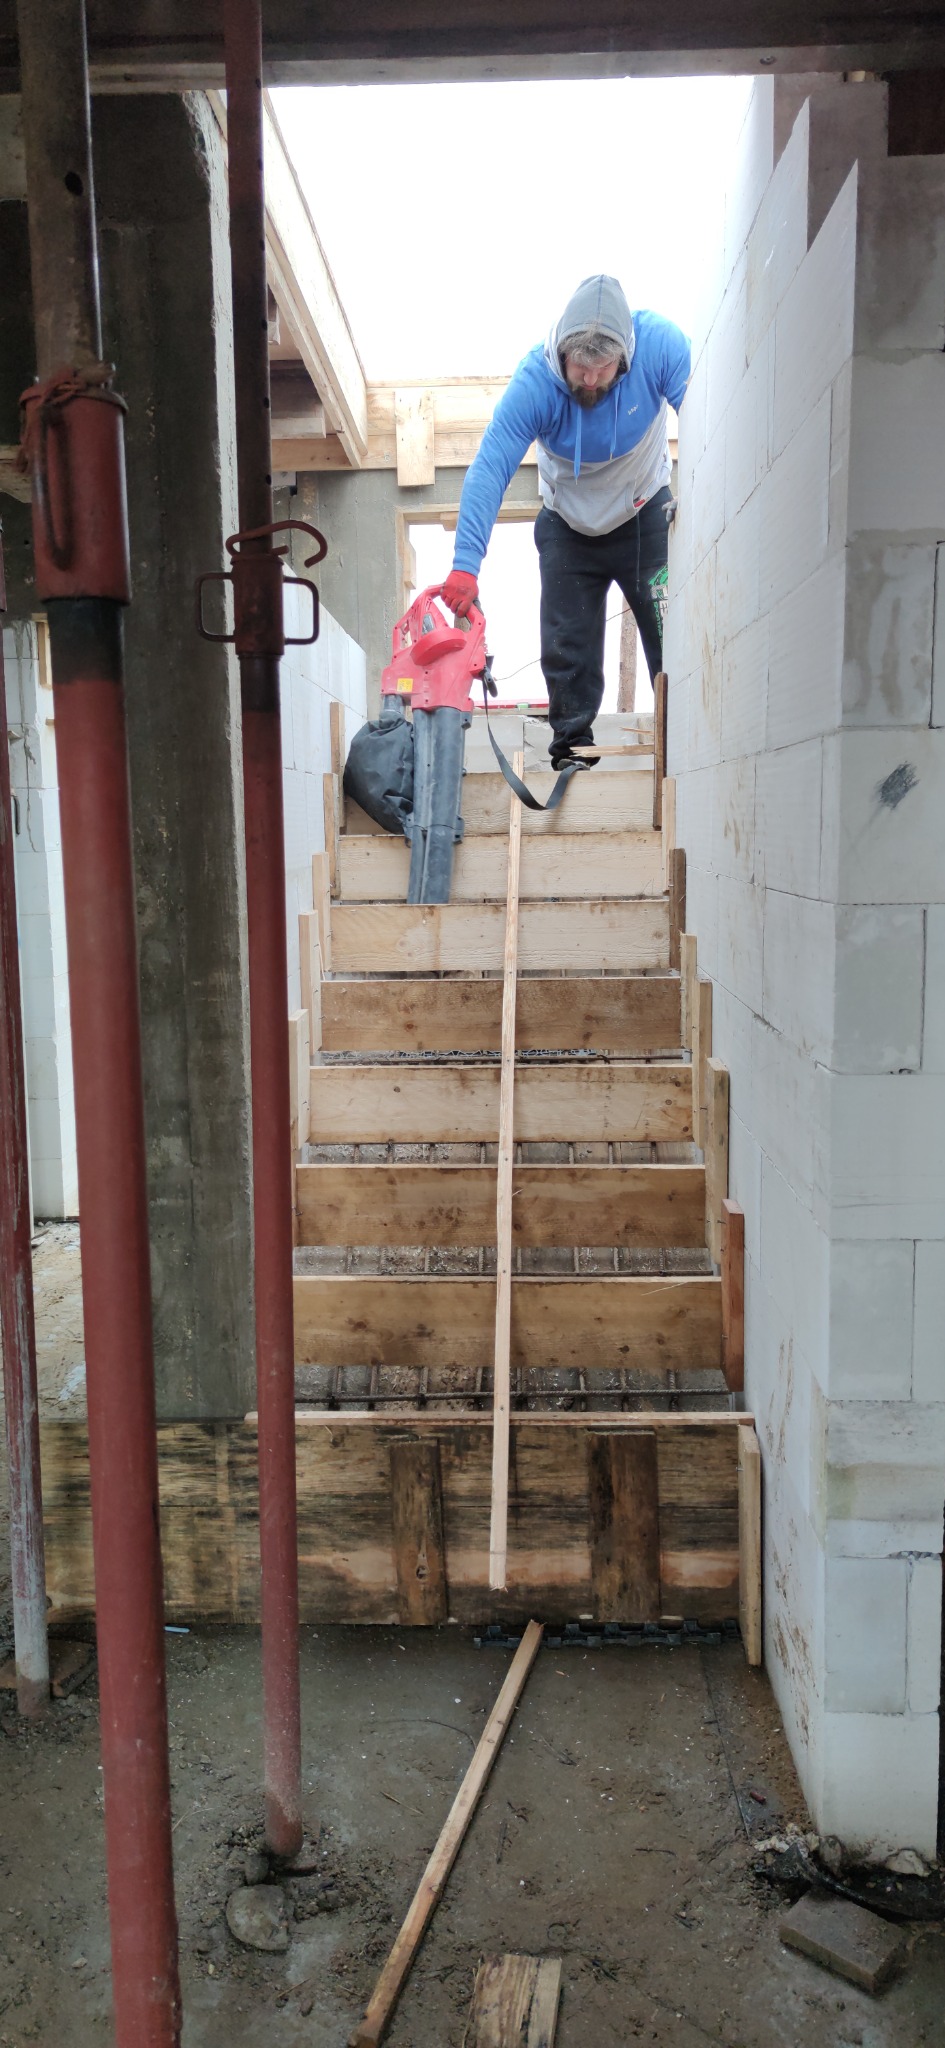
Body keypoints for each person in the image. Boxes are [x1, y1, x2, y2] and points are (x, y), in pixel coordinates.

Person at [441, 275, 690, 768]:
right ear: (562, 354)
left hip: (644, 514)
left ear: (626, 355)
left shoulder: (663, 347)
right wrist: (465, 565)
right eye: (581, 367)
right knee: (566, 645)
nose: (591, 379)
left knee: (669, 635)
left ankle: (682, 746)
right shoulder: (535, 383)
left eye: (603, 368)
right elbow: (491, 466)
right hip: (568, 525)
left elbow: (712, 422)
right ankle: (572, 749)